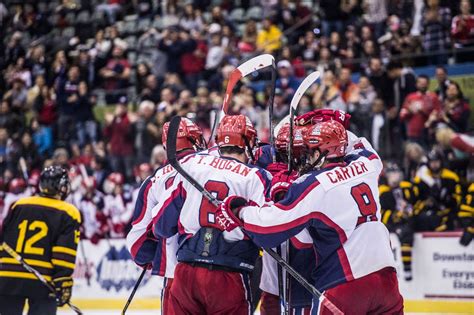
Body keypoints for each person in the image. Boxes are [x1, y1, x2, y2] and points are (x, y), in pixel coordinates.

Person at [217, 120, 404, 314]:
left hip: (345, 283)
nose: (307, 157)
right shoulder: (367, 163)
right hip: (387, 281)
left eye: (311, 151)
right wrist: (327, 123)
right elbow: (358, 143)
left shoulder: (315, 185)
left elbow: (269, 227)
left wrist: (240, 211)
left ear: (320, 154)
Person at [151, 115, 272, 314]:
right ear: (249, 143)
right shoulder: (257, 176)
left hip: (187, 274)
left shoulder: (193, 166)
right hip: (230, 274)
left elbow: (162, 225)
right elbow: (264, 233)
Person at [126, 117, 204, 314]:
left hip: (175, 273)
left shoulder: (155, 180)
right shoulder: (214, 167)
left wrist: (152, 256)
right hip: (221, 270)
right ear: (194, 139)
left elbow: (137, 241)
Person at [0, 166, 81, 315]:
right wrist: (63, 281)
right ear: (62, 187)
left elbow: (3, 240)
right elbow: (64, 252)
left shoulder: (19, 204)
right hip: (43, 279)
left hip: (9, 277)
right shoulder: (69, 212)